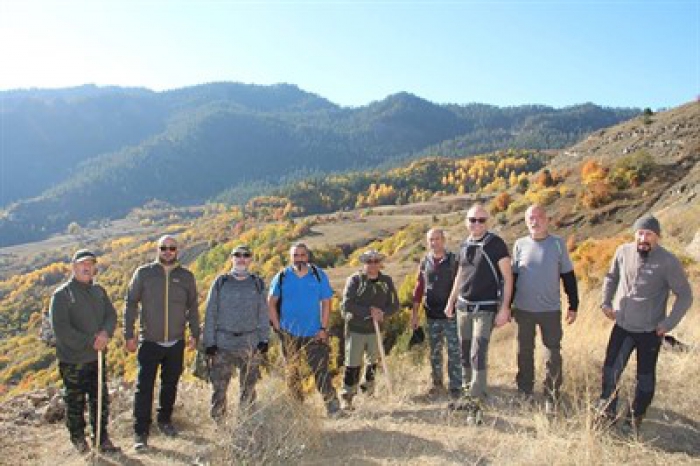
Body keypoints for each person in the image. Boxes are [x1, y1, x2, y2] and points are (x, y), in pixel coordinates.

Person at [597, 215, 692, 434]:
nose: (643, 238)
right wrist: (605, 302)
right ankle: (608, 410)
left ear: (657, 237)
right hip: (622, 326)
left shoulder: (668, 261)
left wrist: (668, 324)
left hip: (650, 331)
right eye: (640, 233)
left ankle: (635, 416)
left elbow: (685, 296)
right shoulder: (623, 252)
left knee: (645, 380)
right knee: (610, 371)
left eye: (649, 234)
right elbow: (611, 277)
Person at [124, 235, 200, 451]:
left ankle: (164, 421)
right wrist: (128, 335)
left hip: (176, 342)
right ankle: (140, 432)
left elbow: (192, 308)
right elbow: (130, 304)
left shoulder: (186, 277)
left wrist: (195, 334)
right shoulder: (144, 273)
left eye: (172, 248)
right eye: (163, 248)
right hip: (149, 341)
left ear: (178, 250)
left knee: (170, 385)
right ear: (157, 249)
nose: (168, 251)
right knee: (143, 388)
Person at [445, 204, 513, 422]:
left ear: (488, 222)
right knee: (464, 352)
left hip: (485, 308)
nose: (476, 224)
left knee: (478, 352)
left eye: (481, 220)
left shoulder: (496, 245)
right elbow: (460, 276)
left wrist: (504, 308)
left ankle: (477, 400)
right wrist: (451, 301)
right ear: (466, 221)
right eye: (472, 220)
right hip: (463, 307)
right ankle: (467, 394)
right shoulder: (464, 245)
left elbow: (508, 278)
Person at [50, 249, 120, 454]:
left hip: (97, 359)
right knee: (75, 403)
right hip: (73, 361)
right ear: (74, 267)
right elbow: (62, 331)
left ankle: (101, 438)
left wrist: (106, 334)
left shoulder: (99, 291)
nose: (87, 267)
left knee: (100, 400)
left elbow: (111, 315)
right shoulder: (62, 295)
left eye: (90, 264)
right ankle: (79, 440)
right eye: (82, 264)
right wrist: (92, 341)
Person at [511, 205, 579, 413]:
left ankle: (551, 395)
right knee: (524, 353)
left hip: (550, 310)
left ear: (547, 220)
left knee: (552, 354)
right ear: (526, 221)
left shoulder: (558, 244)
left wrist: (573, 304)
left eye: (539, 217)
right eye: (531, 217)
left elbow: (568, 276)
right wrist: (506, 306)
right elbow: (512, 279)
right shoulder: (519, 245)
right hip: (523, 310)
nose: (535, 221)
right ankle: (525, 392)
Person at [268, 242, 341, 416]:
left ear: (307, 256)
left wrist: (323, 328)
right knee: (292, 372)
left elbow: (326, 303)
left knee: (321, 371)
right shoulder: (281, 277)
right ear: (290, 257)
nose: (299, 258)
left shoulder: (318, 275)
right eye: (295, 255)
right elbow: (271, 302)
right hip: (289, 333)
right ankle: (297, 409)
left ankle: (333, 408)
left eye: (302, 255)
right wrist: (278, 326)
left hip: (314, 333)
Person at [203, 245, 269, 423]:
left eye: (246, 255)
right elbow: (210, 312)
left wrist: (264, 339)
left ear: (250, 259)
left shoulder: (257, 283)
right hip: (223, 344)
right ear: (231, 258)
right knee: (219, 389)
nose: (241, 258)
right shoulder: (221, 282)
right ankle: (219, 425)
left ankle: (246, 423)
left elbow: (264, 312)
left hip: (250, 344)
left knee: (249, 388)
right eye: (237, 255)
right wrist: (209, 342)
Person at [340, 249, 400, 409]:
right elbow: (347, 304)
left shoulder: (386, 281)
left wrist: (383, 313)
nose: (372, 264)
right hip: (356, 329)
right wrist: (369, 312)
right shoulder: (355, 280)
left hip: (376, 330)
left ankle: (368, 392)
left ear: (380, 263)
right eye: (369, 261)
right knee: (352, 363)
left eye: (375, 261)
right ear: (364, 263)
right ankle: (348, 397)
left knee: (372, 362)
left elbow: (394, 305)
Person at [411, 228, 462, 399]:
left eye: (437, 239)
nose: (434, 242)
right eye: (431, 239)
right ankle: (437, 384)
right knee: (435, 352)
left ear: (444, 240)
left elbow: (461, 285)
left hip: (451, 316)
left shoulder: (454, 260)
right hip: (431, 315)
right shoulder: (425, 262)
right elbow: (418, 288)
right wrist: (414, 314)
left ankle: (456, 386)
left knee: (454, 352)